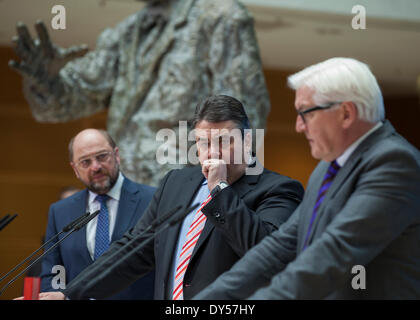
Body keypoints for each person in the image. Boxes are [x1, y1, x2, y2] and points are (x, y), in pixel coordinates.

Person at [34, 95, 304, 300]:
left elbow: (267, 254)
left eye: (224, 141)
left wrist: (220, 189)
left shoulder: (279, 189)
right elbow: (133, 250)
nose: (212, 152)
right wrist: (71, 294)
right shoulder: (177, 183)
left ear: (247, 141)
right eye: (203, 142)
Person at [194, 58, 420, 300]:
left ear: (346, 113)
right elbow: (279, 247)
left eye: (306, 113)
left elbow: (332, 255)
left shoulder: (395, 163)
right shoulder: (327, 168)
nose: (299, 126)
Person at [9, 0, 270, 187]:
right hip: (125, 189)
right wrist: (45, 80)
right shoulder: (127, 33)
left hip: (185, 192)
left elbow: (246, 113)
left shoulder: (220, 16)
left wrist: (218, 189)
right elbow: (68, 101)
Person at [39, 129, 156, 299]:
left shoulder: (152, 199)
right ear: (75, 169)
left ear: (116, 155)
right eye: (85, 162)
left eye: (102, 157)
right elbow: (54, 271)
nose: (96, 167)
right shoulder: (60, 211)